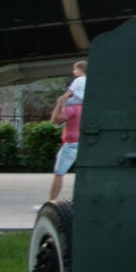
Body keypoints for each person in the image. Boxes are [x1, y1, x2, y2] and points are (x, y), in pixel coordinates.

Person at [47, 61, 87, 203]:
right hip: (85, 143)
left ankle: (51, 201)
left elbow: (55, 120)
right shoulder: (88, 109)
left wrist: (60, 103)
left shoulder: (72, 108)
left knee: (59, 173)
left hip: (70, 144)